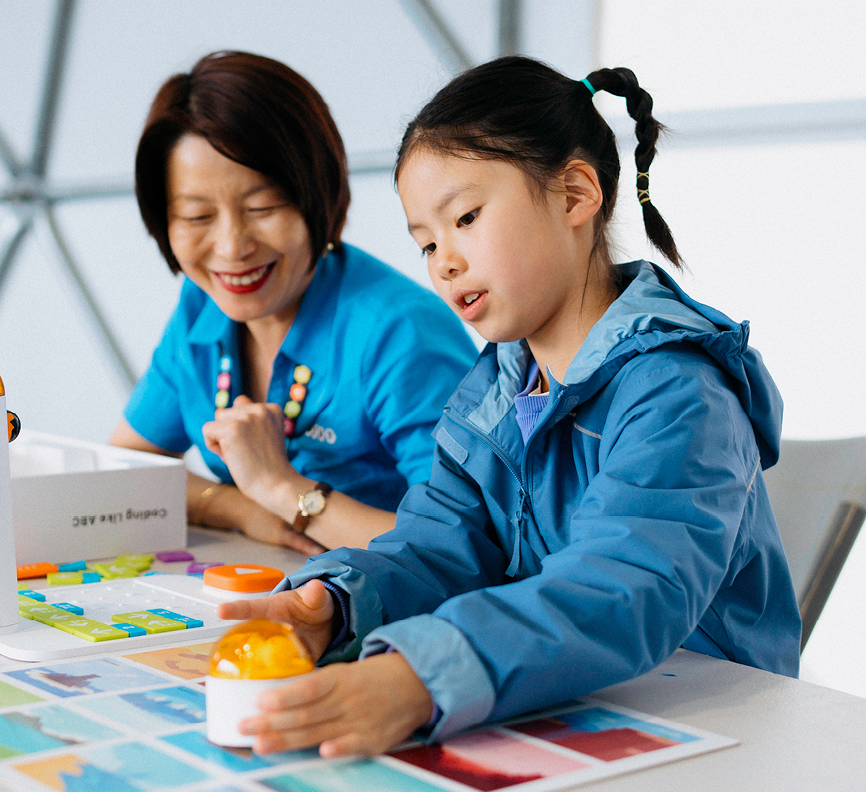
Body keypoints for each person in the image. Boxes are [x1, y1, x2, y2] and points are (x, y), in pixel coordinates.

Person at [220, 56, 802, 757]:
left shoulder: (677, 392)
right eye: (427, 242)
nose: (443, 261)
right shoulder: (491, 396)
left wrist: (419, 678)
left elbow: (622, 590)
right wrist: (338, 605)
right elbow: (437, 549)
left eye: (465, 218)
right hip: (560, 702)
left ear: (575, 195)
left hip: (712, 730)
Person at [110, 52, 478, 555]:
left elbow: (460, 545)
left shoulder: (399, 330)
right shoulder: (202, 305)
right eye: (197, 217)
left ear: (319, 196)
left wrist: (283, 490)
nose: (231, 247)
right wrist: (240, 509)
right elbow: (125, 472)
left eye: (262, 208)